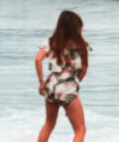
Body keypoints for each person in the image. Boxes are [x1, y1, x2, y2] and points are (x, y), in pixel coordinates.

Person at [36, 10, 90, 142]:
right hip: (68, 87)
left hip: (52, 85)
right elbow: (84, 68)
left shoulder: (50, 42)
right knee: (80, 129)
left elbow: (38, 59)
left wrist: (41, 82)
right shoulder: (82, 45)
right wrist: (74, 84)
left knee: (49, 124)